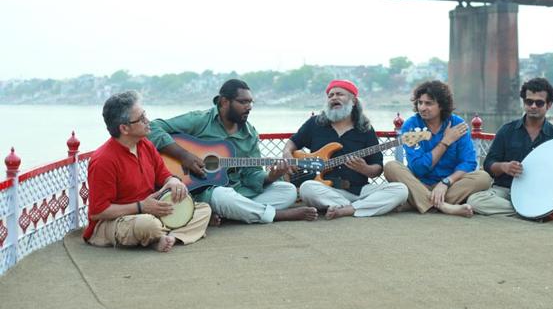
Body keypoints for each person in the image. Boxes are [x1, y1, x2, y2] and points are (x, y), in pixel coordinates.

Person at [149, 79, 318, 223]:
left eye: (251, 102)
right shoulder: (200, 120)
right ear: (224, 102)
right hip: (206, 193)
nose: (249, 107)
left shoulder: (250, 134)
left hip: (239, 192)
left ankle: (234, 214)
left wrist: (271, 176)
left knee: (286, 191)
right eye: (243, 102)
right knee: (223, 195)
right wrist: (184, 155)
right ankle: (275, 216)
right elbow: (152, 127)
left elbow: (253, 175)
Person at [83, 91, 212, 253]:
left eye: (145, 115)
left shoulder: (145, 144)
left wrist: (173, 182)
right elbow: (98, 212)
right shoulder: (103, 160)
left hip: (150, 210)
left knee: (203, 209)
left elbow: (164, 176)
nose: (147, 121)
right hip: (115, 221)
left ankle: (170, 237)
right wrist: (141, 207)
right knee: (148, 225)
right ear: (124, 128)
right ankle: (158, 235)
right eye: (141, 119)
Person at [282, 79, 408, 220]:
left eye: (339, 94)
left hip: (360, 190)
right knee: (307, 188)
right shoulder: (315, 123)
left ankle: (345, 209)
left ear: (353, 101)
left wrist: (364, 168)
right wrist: (287, 154)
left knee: (400, 190)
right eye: (330, 95)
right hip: (326, 189)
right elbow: (292, 143)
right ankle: (360, 207)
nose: (334, 98)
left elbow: (377, 168)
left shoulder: (365, 129)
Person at [467, 77, 553, 215]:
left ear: (549, 105)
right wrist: (504, 167)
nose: (533, 106)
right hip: (505, 190)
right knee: (475, 201)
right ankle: (530, 213)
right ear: (524, 103)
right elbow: (489, 164)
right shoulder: (507, 130)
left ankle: (529, 211)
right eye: (529, 102)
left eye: (539, 103)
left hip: (537, 193)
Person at [384, 80, 492, 217]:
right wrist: (445, 142)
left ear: (441, 105)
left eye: (428, 103)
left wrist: (445, 183)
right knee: (391, 166)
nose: (422, 108)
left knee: (483, 177)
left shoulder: (457, 124)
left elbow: (468, 163)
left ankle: (419, 202)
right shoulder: (411, 125)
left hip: (450, 186)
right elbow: (419, 168)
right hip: (419, 182)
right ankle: (444, 206)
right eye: (420, 102)